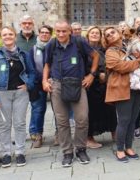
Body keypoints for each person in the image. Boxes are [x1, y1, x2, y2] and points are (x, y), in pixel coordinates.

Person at [42, 20, 99, 167]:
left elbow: (96, 56)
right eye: (58, 31)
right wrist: (44, 81)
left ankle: (80, 149)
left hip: (77, 84)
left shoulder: (79, 42)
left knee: (82, 119)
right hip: (58, 85)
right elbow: (47, 64)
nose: (61, 34)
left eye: (64, 31)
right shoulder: (51, 44)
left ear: (70, 32)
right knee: (62, 121)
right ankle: (67, 152)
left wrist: (92, 75)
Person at [0, 26, 36, 167]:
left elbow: (32, 72)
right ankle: (6, 154)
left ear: (15, 36)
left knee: (20, 123)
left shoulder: (23, 54)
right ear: (1, 37)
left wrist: (28, 85)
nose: (8, 36)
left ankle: (20, 152)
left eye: (10, 34)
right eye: (5, 34)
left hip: (20, 93)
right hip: (2, 93)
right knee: (5, 125)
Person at [103, 27, 140, 163]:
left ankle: (129, 147)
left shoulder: (128, 46)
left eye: (112, 32)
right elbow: (120, 67)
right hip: (121, 88)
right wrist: (139, 62)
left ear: (120, 33)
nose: (111, 35)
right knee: (124, 120)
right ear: (106, 40)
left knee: (133, 120)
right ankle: (120, 149)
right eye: (108, 35)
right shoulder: (110, 52)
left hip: (137, 88)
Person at [85, 26, 117, 148]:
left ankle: (115, 133)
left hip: (105, 85)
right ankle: (89, 138)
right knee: (91, 112)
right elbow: (84, 66)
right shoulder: (84, 49)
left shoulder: (104, 49)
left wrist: (106, 74)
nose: (94, 34)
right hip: (90, 85)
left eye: (97, 33)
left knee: (110, 110)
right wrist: (98, 74)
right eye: (92, 33)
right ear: (88, 35)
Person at [28, 25, 53, 148]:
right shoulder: (33, 49)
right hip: (38, 84)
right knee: (38, 109)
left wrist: (50, 78)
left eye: (47, 32)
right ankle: (37, 134)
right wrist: (36, 81)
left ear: (50, 35)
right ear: (38, 34)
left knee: (59, 110)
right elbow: (31, 67)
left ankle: (60, 134)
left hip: (54, 82)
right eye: (42, 32)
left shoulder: (54, 47)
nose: (44, 34)